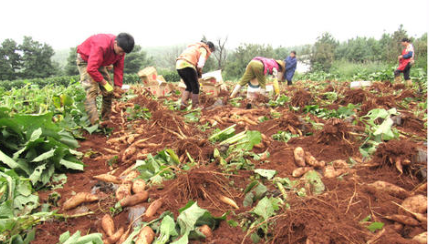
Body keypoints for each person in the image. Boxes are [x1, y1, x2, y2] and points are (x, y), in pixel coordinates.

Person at [76, 33, 134, 125]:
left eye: (124, 53)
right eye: (121, 51)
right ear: (115, 43)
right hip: (86, 61)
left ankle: (106, 119)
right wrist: (104, 83)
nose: (122, 54)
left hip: (100, 61)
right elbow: (91, 69)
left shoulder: (120, 51)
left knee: (109, 92)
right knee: (92, 90)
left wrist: (117, 86)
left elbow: (119, 68)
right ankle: (94, 124)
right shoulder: (101, 45)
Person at [176, 40, 216, 109]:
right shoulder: (204, 49)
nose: (210, 52)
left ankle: (183, 103)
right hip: (188, 64)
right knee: (196, 86)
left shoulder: (194, 46)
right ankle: (195, 106)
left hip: (179, 65)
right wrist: (198, 72)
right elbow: (200, 64)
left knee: (189, 86)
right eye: (211, 51)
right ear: (209, 47)